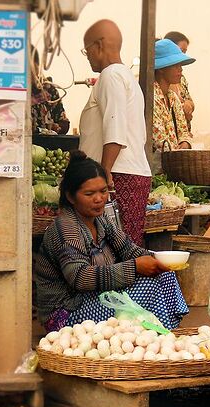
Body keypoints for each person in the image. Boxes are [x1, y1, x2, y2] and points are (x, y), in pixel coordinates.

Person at [34, 154, 189, 332]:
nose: (99, 199)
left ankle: (165, 334)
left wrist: (158, 259)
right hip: (66, 313)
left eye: (103, 191)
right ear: (70, 196)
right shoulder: (67, 228)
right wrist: (134, 267)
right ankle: (160, 338)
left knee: (164, 275)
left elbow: (128, 249)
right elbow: (79, 277)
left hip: (94, 298)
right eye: (89, 193)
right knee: (149, 288)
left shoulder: (100, 220)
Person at [79, 19, 151, 246]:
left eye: (87, 49)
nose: (87, 55)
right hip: (126, 173)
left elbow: (115, 127)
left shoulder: (111, 76)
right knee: (124, 247)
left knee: (114, 250)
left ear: (99, 45)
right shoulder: (125, 76)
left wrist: (104, 173)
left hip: (117, 175)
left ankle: (125, 283)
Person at [152, 38, 195, 155]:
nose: (180, 70)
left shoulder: (173, 97)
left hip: (172, 162)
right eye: (175, 66)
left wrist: (185, 143)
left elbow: (184, 131)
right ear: (161, 69)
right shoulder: (151, 98)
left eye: (180, 65)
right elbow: (159, 141)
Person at [163, 31, 195, 126]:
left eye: (185, 52)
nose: (183, 56)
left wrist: (188, 106)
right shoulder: (158, 87)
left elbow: (190, 101)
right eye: (181, 51)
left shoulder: (181, 78)